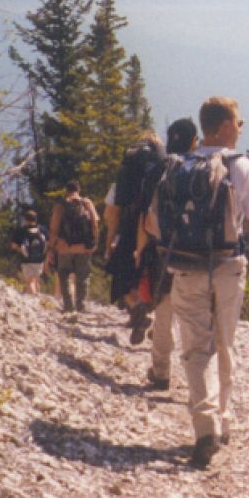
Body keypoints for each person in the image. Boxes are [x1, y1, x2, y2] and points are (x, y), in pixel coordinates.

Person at [146, 96, 249, 469]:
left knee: (195, 349)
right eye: (238, 122)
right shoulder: (242, 166)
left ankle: (205, 427)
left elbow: (154, 224)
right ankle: (224, 420)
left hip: (186, 268)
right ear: (222, 126)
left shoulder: (179, 166)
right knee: (224, 341)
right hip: (227, 266)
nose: (241, 126)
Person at [143, 117, 199, 390]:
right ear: (194, 141)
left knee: (163, 314)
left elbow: (148, 219)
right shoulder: (204, 168)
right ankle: (197, 380)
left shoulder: (160, 170)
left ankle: (161, 371)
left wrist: (144, 248)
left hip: (164, 254)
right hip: (200, 256)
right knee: (196, 319)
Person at [104, 131, 166, 342]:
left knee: (123, 276)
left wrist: (110, 240)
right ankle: (159, 322)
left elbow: (111, 213)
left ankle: (137, 307)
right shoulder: (164, 169)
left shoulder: (125, 173)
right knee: (158, 278)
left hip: (130, 226)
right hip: (161, 230)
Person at [49, 180, 99, 316]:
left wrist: (51, 247)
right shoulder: (87, 203)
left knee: (64, 275)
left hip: (65, 247)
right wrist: (94, 242)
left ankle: (68, 306)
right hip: (83, 247)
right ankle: (80, 304)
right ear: (79, 190)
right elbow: (95, 223)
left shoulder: (61, 205)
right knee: (83, 276)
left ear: (66, 190)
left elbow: (53, 227)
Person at [8, 208, 48, 294]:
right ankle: (39, 298)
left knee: (30, 281)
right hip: (40, 259)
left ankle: (34, 299)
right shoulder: (42, 229)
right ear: (36, 219)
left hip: (26, 260)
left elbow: (14, 246)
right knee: (36, 280)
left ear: (25, 219)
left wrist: (21, 250)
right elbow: (47, 243)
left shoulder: (21, 231)